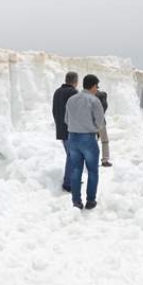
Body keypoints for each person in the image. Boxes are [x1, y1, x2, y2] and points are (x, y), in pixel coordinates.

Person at [65, 74, 105, 210]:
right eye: (97, 87)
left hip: (72, 138)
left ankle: (76, 201)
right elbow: (100, 123)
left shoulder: (71, 100)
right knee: (92, 171)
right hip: (88, 138)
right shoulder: (94, 101)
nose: (97, 89)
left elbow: (66, 120)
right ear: (93, 86)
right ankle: (90, 200)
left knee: (76, 170)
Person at [52, 71, 78, 192]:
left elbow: (54, 111)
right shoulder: (73, 92)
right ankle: (68, 183)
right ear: (75, 82)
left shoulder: (57, 92)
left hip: (61, 129)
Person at [95, 89, 112, 167]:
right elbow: (104, 107)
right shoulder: (102, 94)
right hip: (101, 121)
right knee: (104, 140)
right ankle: (105, 160)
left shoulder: (87, 96)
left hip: (90, 122)